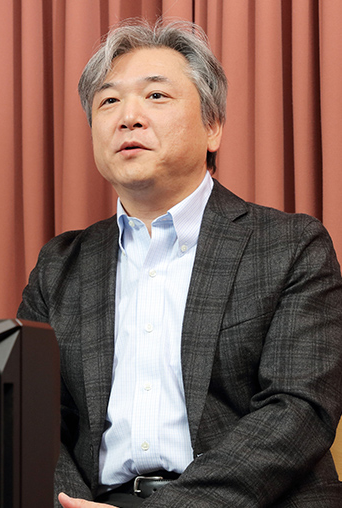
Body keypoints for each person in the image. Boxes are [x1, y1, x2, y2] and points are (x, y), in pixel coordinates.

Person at [18, 19, 342, 507]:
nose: (128, 117)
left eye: (156, 96)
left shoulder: (291, 245)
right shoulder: (59, 266)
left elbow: (298, 410)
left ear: (213, 127)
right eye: (109, 101)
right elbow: (31, 416)